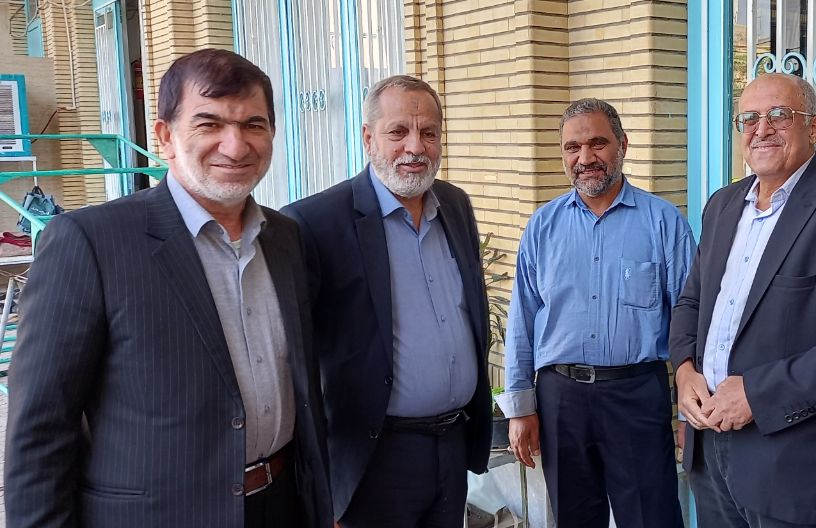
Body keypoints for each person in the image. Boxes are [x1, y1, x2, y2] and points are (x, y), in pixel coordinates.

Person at [4, 48, 332, 528]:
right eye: (209, 124)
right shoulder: (90, 243)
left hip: (283, 503)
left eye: (253, 125)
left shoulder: (286, 238)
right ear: (164, 137)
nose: (235, 145)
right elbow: (39, 428)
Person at [670, 73, 816, 527]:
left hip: (792, 464)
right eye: (749, 119)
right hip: (709, 451)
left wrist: (757, 394)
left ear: (814, 128)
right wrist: (684, 372)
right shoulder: (722, 206)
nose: (762, 129)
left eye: (779, 115)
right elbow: (691, 302)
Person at [281, 75, 491, 527]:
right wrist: (319, 490)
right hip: (372, 460)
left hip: (452, 447)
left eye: (429, 132)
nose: (415, 147)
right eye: (398, 131)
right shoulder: (314, 223)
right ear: (368, 137)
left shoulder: (455, 205)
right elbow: (294, 365)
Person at [497, 98, 692, 527]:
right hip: (561, 399)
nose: (585, 158)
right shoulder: (542, 226)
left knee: (652, 517)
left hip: (636, 395)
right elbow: (523, 320)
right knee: (574, 518)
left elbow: (688, 321)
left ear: (623, 145)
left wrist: (687, 412)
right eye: (573, 147)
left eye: (597, 144)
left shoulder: (663, 222)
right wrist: (520, 407)